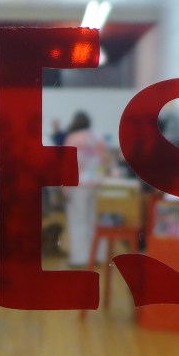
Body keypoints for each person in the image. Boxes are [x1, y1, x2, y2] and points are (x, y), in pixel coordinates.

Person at [63, 110, 112, 267]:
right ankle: (98, 255)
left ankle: (80, 258)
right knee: (95, 221)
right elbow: (106, 160)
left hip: (78, 184)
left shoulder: (72, 138)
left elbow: (68, 164)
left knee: (78, 221)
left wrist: (64, 187)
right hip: (97, 183)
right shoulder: (98, 137)